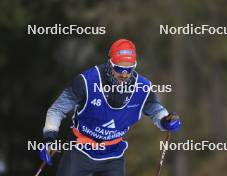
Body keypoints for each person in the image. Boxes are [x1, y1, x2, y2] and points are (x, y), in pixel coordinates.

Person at [39, 39, 182, 176]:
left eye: (129, 68)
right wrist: (49, 138)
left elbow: (154, 108)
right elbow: (57, 109)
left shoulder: (142, 87)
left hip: (113, 154)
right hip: (80, 149)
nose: (124, 74)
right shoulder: (87, 81)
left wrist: (165, 120)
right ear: (110, 63)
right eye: (119, 68)